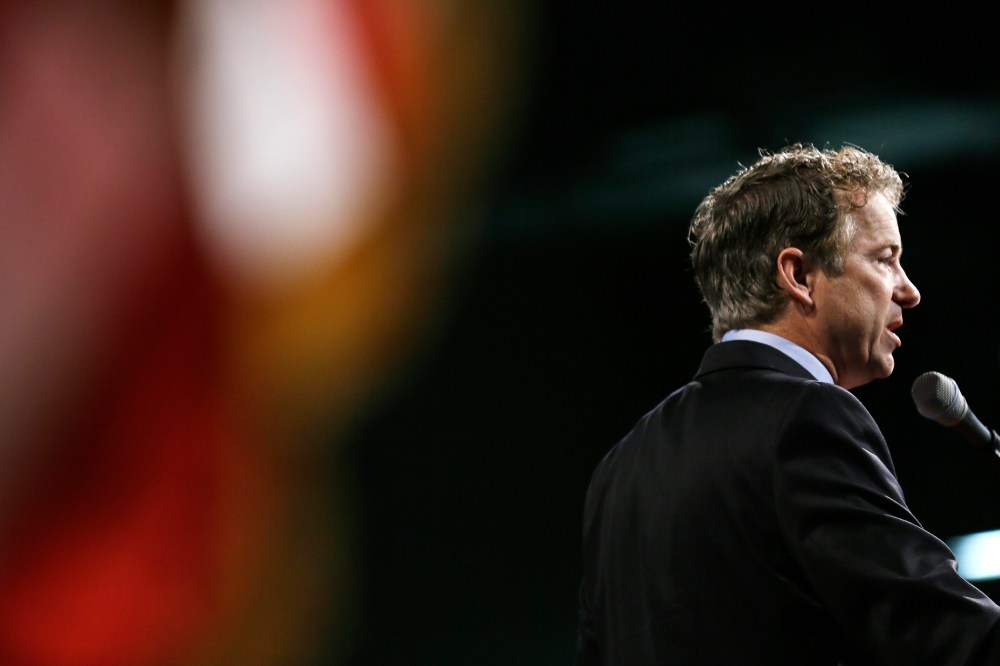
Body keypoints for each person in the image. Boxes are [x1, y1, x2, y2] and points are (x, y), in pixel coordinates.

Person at [576, 142, 1000, 665]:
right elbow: (941, 635)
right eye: (885, 259)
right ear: (798, 276)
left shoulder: (621, 467)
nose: (908, 290)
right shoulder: (807, 416)